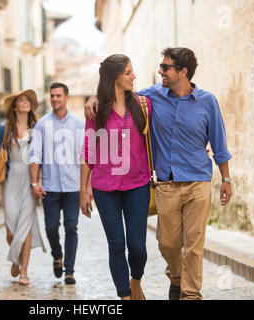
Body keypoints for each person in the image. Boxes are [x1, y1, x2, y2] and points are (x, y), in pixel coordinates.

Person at [85, 48, 233, 300]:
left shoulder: (207, 101)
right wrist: (94, 97)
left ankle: (190, 294)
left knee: (194, 245)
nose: (159, 71)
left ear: (182, 72)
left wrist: (226, 179)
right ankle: (176, 279)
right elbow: (117, 94)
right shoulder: (150, 97)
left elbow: (219, 143)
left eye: (165, 67)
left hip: (198, 180)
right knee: (168, 244)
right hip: (165, 184)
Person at [80, 54, 152, 300]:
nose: (134, 76)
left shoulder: (143, 104)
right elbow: (88, 152)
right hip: (105, 186)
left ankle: (136, 280)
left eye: (133, 71)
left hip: (138, 183)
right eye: (128, 72)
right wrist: (83, 190)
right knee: (116, 244)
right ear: (115, 77)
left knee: (138, 247)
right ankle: (125, 297)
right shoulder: (97, 111)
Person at [0, 89, 46, 286]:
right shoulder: (4, 129)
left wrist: (39, 181)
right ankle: (15, 258)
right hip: (11, 179)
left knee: (26, 227)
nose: (25, 102)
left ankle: (24, 272)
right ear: (14, 107)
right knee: (12, 231)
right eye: (21, 100)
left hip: (30, 181)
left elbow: (43, 157)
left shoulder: (37, 127)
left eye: (27, 100)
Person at [29, 83, 85, 285]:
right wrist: (35, 182)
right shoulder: (42, 125)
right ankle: (57, 255)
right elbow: (34, 155)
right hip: (50, 188)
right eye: (52, 96)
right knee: (51, 228)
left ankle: (69, 271)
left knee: (71, 227)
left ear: (67, 97)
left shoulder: (79, 125)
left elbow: (86, 158)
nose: (54, 99)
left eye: (58, 95)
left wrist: (86, 187)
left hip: (73, 187)